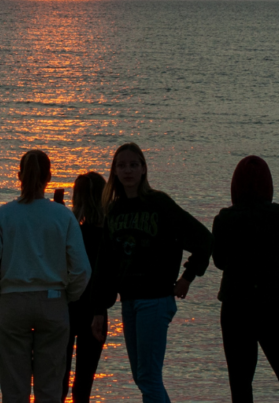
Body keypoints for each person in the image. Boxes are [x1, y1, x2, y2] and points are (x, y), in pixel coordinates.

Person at [90, 142, 213, 403]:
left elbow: (203, 240)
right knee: (141, 376)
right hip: (129, 301)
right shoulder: (113, 210)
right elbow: (105, 264)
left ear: (144, 169)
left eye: (134, 164)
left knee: (148, 377)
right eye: (121, 165)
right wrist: (99, 309)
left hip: (155, 300)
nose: (128, 170)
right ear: (114, 172)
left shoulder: (159, 204)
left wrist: (187, 278)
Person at [0, 150, 92, 403]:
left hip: (12, 301)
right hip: (53, 300)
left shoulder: (3, 215)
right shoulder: (63, 216)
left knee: (13, 387)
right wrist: (67, 296)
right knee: (50, 388)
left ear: (19, 176)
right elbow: (82, 269)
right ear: (49, 177)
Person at [212, 155, 279, 403]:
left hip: (236, 306)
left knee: (241, 383)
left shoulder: (225, 218)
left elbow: (219, 261)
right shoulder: (278, 214)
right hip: (274, 305)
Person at [62, 172, 108, 403]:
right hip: (96, 309)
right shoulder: (108, 235)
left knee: (58, 380)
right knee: (84, 385)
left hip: (66, 308)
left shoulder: (69, 233)